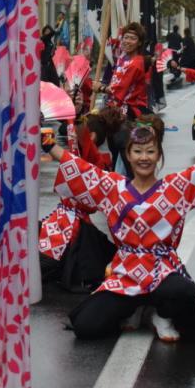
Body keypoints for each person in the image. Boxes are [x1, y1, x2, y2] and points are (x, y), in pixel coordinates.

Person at [45, 113, 195, 342]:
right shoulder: (113, 187)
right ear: (128, 155)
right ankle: (135, 308)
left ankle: (161, 314)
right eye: (137, 151)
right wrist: (47, 144)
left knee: (183, 291)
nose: (144, 158)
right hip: (126, 273)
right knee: (86, 326)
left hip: (161, 269)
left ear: (159, 156)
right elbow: (80, 169)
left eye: (150, 151)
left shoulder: (175, 187)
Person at [38, 112, 121, 293]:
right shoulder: (96, 165)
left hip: (73, 226)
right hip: (67, 222)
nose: (143, 158)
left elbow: (67, 157)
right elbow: (65, 155)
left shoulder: (97, 167)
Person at [101, 22, 150, 119]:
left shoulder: (135, 64)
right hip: (117, 104)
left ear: (139, 43)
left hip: (131, 109)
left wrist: (100, 88)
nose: (127, 41)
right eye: (126, 37)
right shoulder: (122, 59)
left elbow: (117, 90)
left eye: (133, 38)